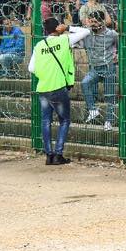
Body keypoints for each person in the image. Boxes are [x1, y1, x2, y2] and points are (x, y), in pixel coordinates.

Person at [27, 17, 90, 165]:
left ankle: (49, 155)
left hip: (43, 87)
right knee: (64, 120)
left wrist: (45, 72)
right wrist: (67, 28)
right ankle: (58, 154)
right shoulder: (64, 41)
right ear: (58, 28)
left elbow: (31, 68)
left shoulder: (39, 45)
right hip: (57, 86)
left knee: (45, 121)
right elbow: (86, 31)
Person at [80, 7, 118, 131]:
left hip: (108, 68)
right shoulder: (87, 33)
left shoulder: (111, 34)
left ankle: (109, 121)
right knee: (85, 83)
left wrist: (117, 54)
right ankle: (92, 110)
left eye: (95, 22)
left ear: (102, 22)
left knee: (110, 96)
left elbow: (122, 46)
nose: (93, 25)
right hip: (95, 68)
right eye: (91, 22)